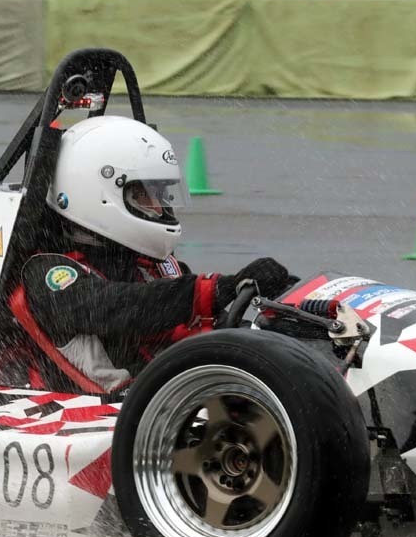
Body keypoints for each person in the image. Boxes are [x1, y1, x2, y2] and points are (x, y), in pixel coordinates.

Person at [16, 116, 294, 392]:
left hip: (178, 391)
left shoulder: (148, 263)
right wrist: (218, 288)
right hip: (113, 410)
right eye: (146, 195)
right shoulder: (49, 273)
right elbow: (119, 308)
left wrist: (267, 309)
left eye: (162, 194)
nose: (160, 207)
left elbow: (200, 320)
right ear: (94, 194)